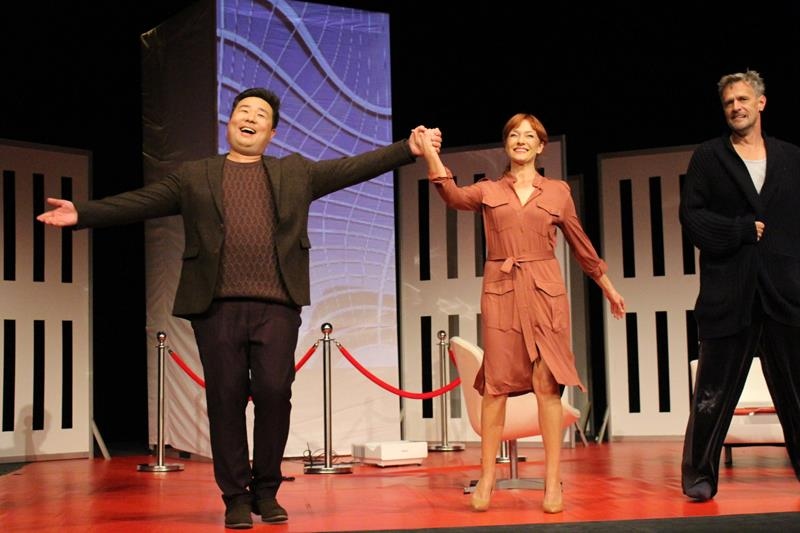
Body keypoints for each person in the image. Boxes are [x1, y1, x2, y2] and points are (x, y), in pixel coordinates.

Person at [37, 87, 442, 529]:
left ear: (272, 132)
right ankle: (235, 496)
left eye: (260, 114)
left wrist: (407, 149)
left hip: (277, 304)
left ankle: (266, 490)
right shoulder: (196, 175)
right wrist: (83, 214)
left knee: (274, 393)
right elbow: (141, 201)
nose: (249, 118)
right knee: (225, 399)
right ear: (229, 122)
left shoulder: (295, 172)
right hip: (216, 306)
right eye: (242, 111)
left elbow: (353, 167)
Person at [417, 115, 625, 513]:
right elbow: (453, 196)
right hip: (502, 291)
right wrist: (430, 154)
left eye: (529, 135)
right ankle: (487, 478)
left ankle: (552, 482)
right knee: (496, 385)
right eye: (514, 135)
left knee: (548, 384)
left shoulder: (558, 192)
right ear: (506, 144)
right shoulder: (490, 189)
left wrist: (609, 288)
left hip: (546, 293)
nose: (521, 140)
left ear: (541, 146)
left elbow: (581, 245)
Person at [679, 70, 800, 501]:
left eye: (743, 99)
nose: (736, 107)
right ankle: (699, 477)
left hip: (784, 293)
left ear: (761, 103)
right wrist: (739, 231)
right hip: (729, 294)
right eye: (729, 102)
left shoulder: (790, 157)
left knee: (797, 393)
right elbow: (692, 217)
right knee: (711, 395)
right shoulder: (709, 158)